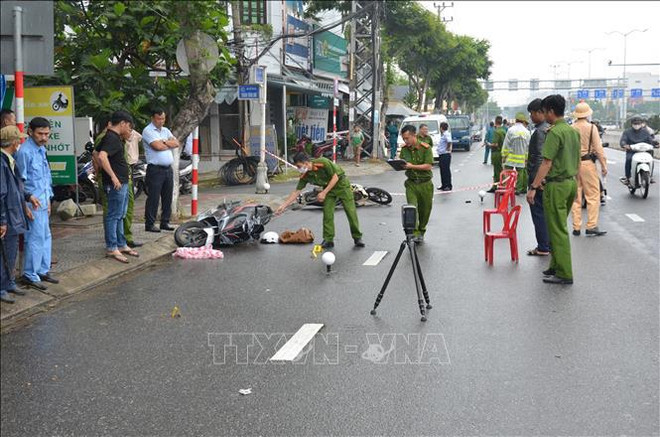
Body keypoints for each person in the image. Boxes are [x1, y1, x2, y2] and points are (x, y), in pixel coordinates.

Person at [526, 95, 580, 285]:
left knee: (557, 230)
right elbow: (578, 161)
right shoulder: (573, 131)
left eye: (544, 111)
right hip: (569, 183)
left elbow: (546, 162)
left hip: (556, 185)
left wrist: (533, 187)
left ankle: (564, 273)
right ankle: (555, 265)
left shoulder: (554, 133)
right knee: (555, 226)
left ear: (549, 111)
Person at [276, 153, 365, 249]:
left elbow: (335, 177)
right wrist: (283, 205)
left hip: (342, 186)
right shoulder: (305, 175)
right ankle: (328, 240)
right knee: (327, 214)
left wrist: (324, 193)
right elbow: (297, 191)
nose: (299, 169)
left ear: (306, 163)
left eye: (299, 166)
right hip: (328, 190)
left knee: (350, 212)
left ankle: (357, 237)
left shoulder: (322, 162)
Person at [15, 117, 57, 290]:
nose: (44, 137)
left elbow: (45, 177)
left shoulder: (41, 149)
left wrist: (48, 199)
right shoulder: (25, 152)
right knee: (34, 239)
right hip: (32, 203)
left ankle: (42, 270)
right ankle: (30, 274)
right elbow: (19, 182)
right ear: (30, 132)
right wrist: (24, 205)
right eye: (40, 133)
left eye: (47, 134)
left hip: (43, 200)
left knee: (45, 237)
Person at [1, 126, 41, 303]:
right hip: (7, 215)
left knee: (11, 251)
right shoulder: (2, 162)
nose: (21, 142)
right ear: (14, 142)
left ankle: (8, 282)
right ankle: (2, 287)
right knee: (4, 253)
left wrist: (28, 196)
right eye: (19, 139)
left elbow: (16, 187)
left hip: (13, 213)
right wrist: (2, 220)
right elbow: (1, 193)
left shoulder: (9, 160)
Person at [96, 111, 138, 263]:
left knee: (120, 214)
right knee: (113, 215)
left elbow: (96, 152)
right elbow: (101, 156)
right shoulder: (112, 138)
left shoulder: (111, 137)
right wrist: (112, 176)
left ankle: (121, 244)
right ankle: (112, 247)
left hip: (121, 182)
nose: (129, 130)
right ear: (123, 123)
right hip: (116, 183)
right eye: (129, 127)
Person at [570, 102, 607, 237]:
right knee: (592, 195)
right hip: (587, 164)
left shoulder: (571, 128)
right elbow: (598, 149)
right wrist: (603, 165)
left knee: (576, 196)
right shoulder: (592, 128)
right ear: (587, 114)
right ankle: (591, 225)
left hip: (573, 165)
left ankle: (576, 227)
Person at [142, 108, 180, 232]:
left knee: (167, 196)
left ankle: (165, 222)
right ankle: (150, 223)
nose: (161, 121)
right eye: (158, 119)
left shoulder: (165, 130)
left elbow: (177, 143)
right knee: (153, 197)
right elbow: (157, 146)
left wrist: (165, 142)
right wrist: (167, 143)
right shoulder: (148, 131)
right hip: (155, 169)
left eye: (163, 118)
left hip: (168, 169)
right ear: (152, 118)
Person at [399, 125, 434, 244]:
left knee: (425, 210)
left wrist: (411, 166)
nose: (405, 141)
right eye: (404, 139)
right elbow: (403, 164)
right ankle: (413, 233)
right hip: (411, 184)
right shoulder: (404, 149)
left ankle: (421, 231)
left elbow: (428, 166)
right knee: (411, 208)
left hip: (425, 184)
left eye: (407, 138)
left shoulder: (425, 148)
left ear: (414, 135)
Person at [525, 99, 551, 257]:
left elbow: (542, 158)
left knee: (539, 213)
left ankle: (543, 246)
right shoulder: (547, 128)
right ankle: (547, 244)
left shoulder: (541, 131)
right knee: (546, 214)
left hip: (539, 180)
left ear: (541, 112)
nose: (531, 117)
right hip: (545, 179)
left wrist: (536, 183)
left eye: (532, 114)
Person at [619, 115, 657, 185]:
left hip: (644, 151)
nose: (636, 125)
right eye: (635, 123)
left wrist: (656, 143)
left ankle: (650, 176)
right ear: (632, 124)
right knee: (628, 159)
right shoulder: (627, 132)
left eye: (638, 123)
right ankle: (627, 177)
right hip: (632, 151)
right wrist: (624, 145)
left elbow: (650, 140)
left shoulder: (645, 132)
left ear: (641, 123)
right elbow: (623, 140)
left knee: (651, 160)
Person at [502, 112, 531, 195]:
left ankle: (508, 187)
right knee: (520, 174)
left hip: (510, 157)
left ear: (516, 120)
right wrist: (526, 158)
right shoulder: (527, 132)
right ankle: (518, 189)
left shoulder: (510, 130)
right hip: (521, 158)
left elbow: (506, 144)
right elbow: (528, 147)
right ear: (523, 121)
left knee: (508, 172)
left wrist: (504, 156)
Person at [487, 116, 506, 192]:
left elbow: (495, 144)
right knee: (501, 170)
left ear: (495, 122)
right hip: (502, 152)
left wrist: (488, 144)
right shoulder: (503, 130)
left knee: (497, 171)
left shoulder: (497, 131)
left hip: (496, 153)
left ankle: (498, 187)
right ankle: (499, 186)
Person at [437, 122, 453, 191]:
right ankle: (443, 185)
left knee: (446, 171)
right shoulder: (444, 134)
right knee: (442, 171)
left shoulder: (446, 134)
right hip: (442, 155)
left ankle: (448, 185)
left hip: (445, 155)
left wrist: (448, 148)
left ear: (441, 128)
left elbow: (449, 141)